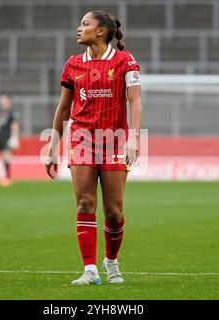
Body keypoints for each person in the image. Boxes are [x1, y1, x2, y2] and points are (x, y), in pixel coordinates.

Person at [45, 11, 142, 285]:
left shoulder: (125, 62)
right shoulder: (73, 65)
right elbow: (63, 109)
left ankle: (111, 261)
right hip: (82, 141)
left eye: (85, 24)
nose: (79, 28)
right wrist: (53, 146)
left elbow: (135, 102)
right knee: (86, 203)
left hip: (114, 142)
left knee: (113, 211)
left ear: (101, 31)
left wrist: (134, 138)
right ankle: (90, 270)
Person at [0, 95, 20, 186]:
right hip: (1, 137)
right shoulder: (0, 113)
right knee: (3, 156)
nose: (1, 102)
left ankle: (8, 177)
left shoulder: (12, 113)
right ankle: (7, 176)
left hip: (8, 136)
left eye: (3, 100)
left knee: (7, 155)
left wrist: (14, 137)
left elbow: (14, 125)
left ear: (9, 102)